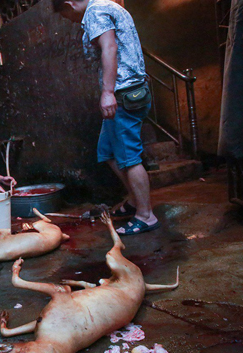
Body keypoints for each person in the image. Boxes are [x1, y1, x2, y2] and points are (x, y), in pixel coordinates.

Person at [53, 0, 159, 235]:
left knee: (128, 157)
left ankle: (145, 215)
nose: (68, 19)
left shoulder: (95, 11)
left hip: (123, 92)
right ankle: (134, 200)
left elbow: (109, 47)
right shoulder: (106, 6)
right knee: (108, 151)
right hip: (128, 89)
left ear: (69, 3)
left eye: (64, 14)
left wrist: (108, 92)